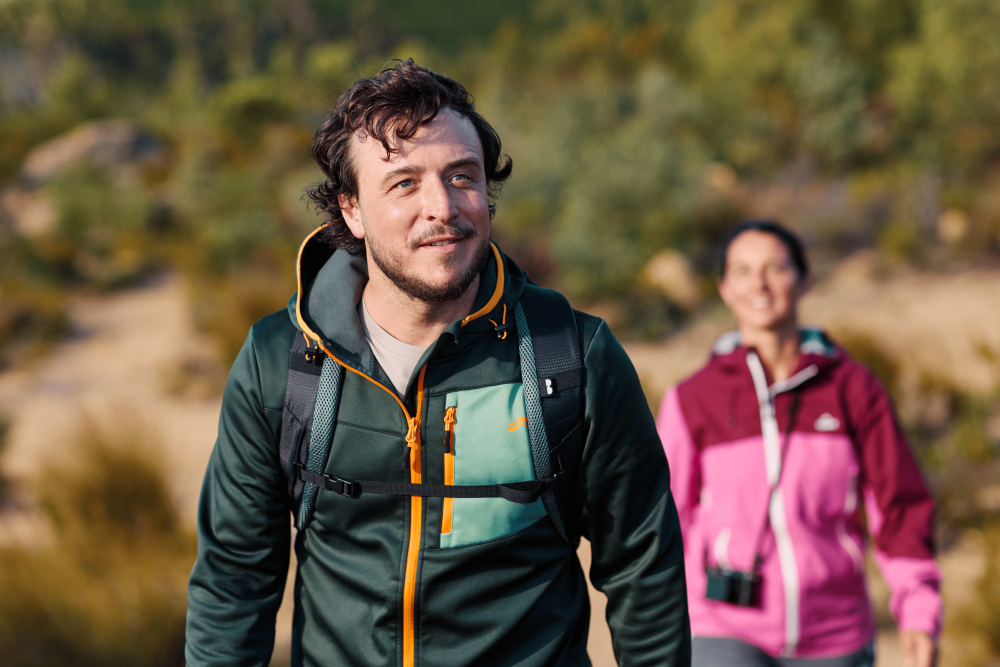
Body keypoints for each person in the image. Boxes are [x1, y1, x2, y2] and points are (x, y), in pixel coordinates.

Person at [185, 60, 691, 667]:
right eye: (404, 183)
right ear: (351, 210)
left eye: (462, 176)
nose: (443, 207)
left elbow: (644, 570)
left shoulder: (572, 355)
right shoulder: (281, 360)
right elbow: (234, 581)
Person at [657, 220, 942, 667]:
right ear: (724, 288)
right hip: (720, 626)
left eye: (775, 268)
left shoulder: (854, 388)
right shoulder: (692, 399)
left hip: (837, 632)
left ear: (804, 279)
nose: (759, 284)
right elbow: (667, 519)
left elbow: (898, 507)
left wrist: (919, 612)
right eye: (743, 271)